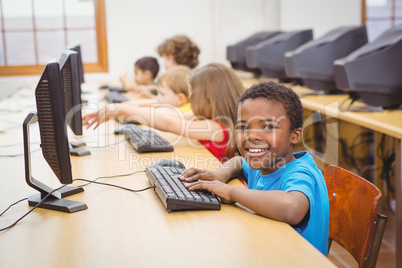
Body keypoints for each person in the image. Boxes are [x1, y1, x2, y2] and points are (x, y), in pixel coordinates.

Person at [178, 81, 330, 256]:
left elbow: (292, 208)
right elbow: (238, 162)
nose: (252, 136)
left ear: (294, 135)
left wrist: (231, 192)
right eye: (243, 127)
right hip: (265, 252)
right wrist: (219, 174)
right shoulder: (262, 165)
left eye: (267, 127)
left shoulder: (301, 172)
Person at [82, 63, 244, 162]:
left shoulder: (217, 127)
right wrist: (123, 110)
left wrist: (122, 109)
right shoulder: (203, 117)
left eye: (194, 94)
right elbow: (168, 115)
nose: (191, 99)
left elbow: (168, 124)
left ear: (211, 99)